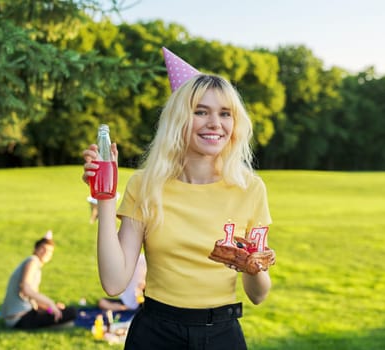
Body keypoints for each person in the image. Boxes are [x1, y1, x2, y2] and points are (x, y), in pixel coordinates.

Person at [82, 47, 273, 349]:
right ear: (179, 119)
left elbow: (259, 294)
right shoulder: (145, 185)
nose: (215, 123)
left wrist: (252, 266)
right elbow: (114, 281)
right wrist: (104, 197)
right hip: (155, 334)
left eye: (225, 114)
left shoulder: (249, 189)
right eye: (201, 111)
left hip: (222, 334)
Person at [0, 230, 77, 329]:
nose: (46, 253)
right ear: (36, 249)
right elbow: (26, 289)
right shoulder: (33, 261)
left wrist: (51, 308)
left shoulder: (35, 267)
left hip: (18, 318)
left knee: (62, 311)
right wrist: (50, 303)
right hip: (20, 319)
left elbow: (33, 298)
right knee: (72, 312)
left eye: (49, 251)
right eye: (43, 249)